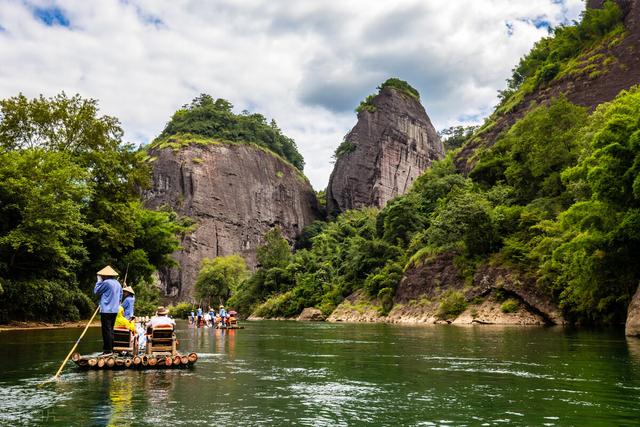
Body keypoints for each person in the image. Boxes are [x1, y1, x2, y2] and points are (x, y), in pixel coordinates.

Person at [94, 265, 123, 355]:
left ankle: (107, 350)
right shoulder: (118, 284)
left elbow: (96, 291)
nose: (101, 277)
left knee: (106, 330)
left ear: (105, 275)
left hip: (106, 310)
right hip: (114, 310)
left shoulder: (106, 282)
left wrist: (98, 281)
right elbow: (120, 296)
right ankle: (111, 348)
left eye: (102, 276)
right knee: (110, 330)